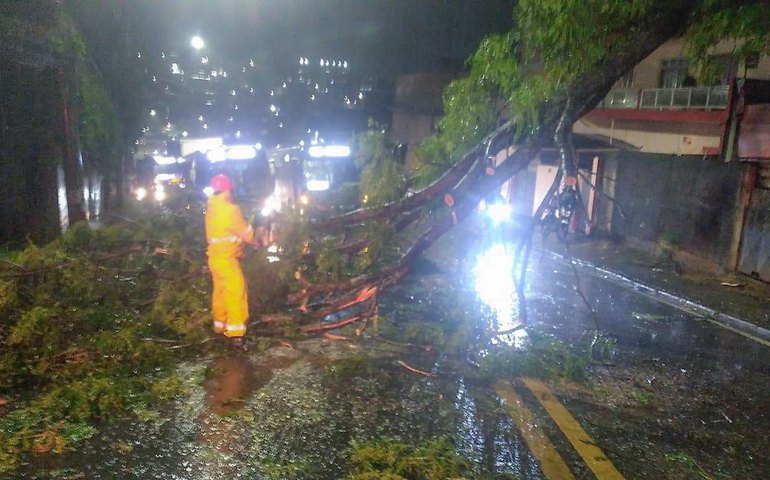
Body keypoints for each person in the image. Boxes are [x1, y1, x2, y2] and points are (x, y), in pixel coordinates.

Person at [204, 174, 264, 348]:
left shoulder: (212, 208)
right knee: (236, 293)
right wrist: (257, 235)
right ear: (228, 191)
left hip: (215, 259)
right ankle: (236, 333)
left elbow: (225, 234)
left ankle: (219, 325)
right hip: (228, 260)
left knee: (220, 293)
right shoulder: (230, 210)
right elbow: (246, 233)